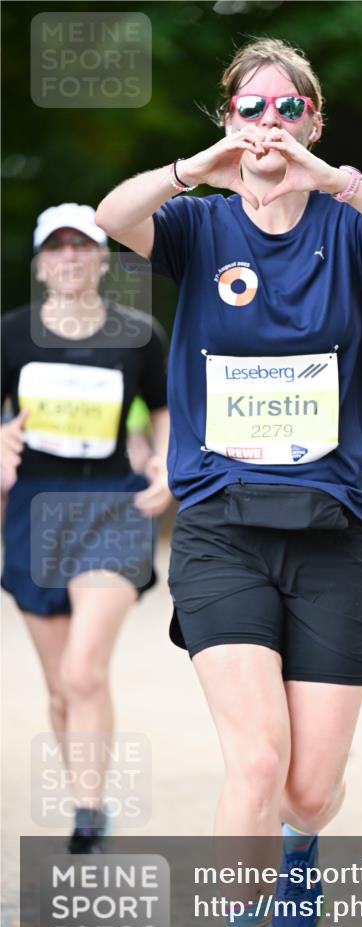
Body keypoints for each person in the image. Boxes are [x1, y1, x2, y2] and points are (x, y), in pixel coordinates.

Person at [95, 37, 362, 927]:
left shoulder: (348, 224)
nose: (270, 126)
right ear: (229, 120)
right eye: (252, 109)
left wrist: (337, 181)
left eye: (290, 109)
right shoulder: (200, 229)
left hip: (336, 529)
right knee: (254, 757)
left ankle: (302, 840)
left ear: (314, 122)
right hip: (221, 527)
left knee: (307, 788)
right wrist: (188, 172)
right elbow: (113, 218)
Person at [1, 203, 172, 852]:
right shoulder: (11, 335)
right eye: (57, 248)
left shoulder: (139, 334)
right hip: (36, 511)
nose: (70, 258)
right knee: (58, 685)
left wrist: (164, 462)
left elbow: (161, 410)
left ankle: (91, 812)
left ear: (102, 258)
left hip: (112, 508)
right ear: (41, 263)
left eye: (83, 247)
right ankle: (83, 796)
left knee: (82, 671)